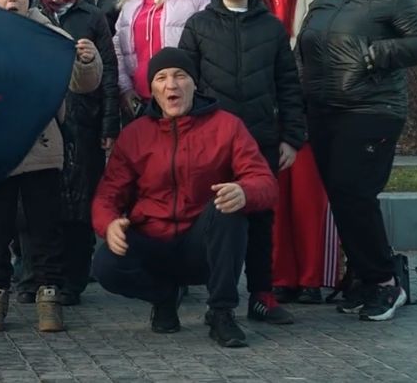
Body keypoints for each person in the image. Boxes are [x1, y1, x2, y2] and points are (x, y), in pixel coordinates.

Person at [296, 0, 417, 322]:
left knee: (355, 193)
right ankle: (362, 276)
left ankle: (385, 282)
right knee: (342, 198)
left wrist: (375, 54)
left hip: (372, 108)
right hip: (324, 109)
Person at [91, 47, 277, 348]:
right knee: (105, 265)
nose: (171, 85)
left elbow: (265, 182)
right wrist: (109, 223)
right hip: (152, 241)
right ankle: (164, 297)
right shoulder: (135, 134)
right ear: (152, 89)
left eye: (180, 76)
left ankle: (221, 313)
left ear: (194, 83)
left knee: (228, 206)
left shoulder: (227, 125)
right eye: (162, 78)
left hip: (202, 245)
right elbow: (107, 194)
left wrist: (245, 191)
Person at [178, 0, 305, 326]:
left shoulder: (270, 27)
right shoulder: (199, 25)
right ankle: (221, 299)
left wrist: (292, 137)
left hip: (261, 138)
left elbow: (288, 84)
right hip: (212, 140)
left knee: (262, 219)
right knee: (217, 219)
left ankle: (262, 295)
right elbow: (187, 81)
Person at [0, 0, 101, 334]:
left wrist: (88, 62)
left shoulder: (51, 35)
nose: (11, 0)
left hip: (42, 148)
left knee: (45, 226)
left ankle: (49, 292)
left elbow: (83, 84)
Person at [27, 0, 119, 306]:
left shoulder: (92, 16)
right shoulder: (32, 14)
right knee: (39, 202)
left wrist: (110, 125)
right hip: (42, 120)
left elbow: (109, 71)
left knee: (79, 205)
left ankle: (74, 280)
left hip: (84, 120)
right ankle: (38, 274)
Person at [253, 0, 337, 305]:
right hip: (264, 107)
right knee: (275, 195)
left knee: (307, 195)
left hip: (307, 105)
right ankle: (280, 275)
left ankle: (312, 277)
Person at [113, 0, 211, 119]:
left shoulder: (201, 0)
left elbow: (211, 53)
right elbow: (117, 46)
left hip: (184, 103)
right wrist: (125, 88)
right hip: (139, 103)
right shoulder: (131, 1)